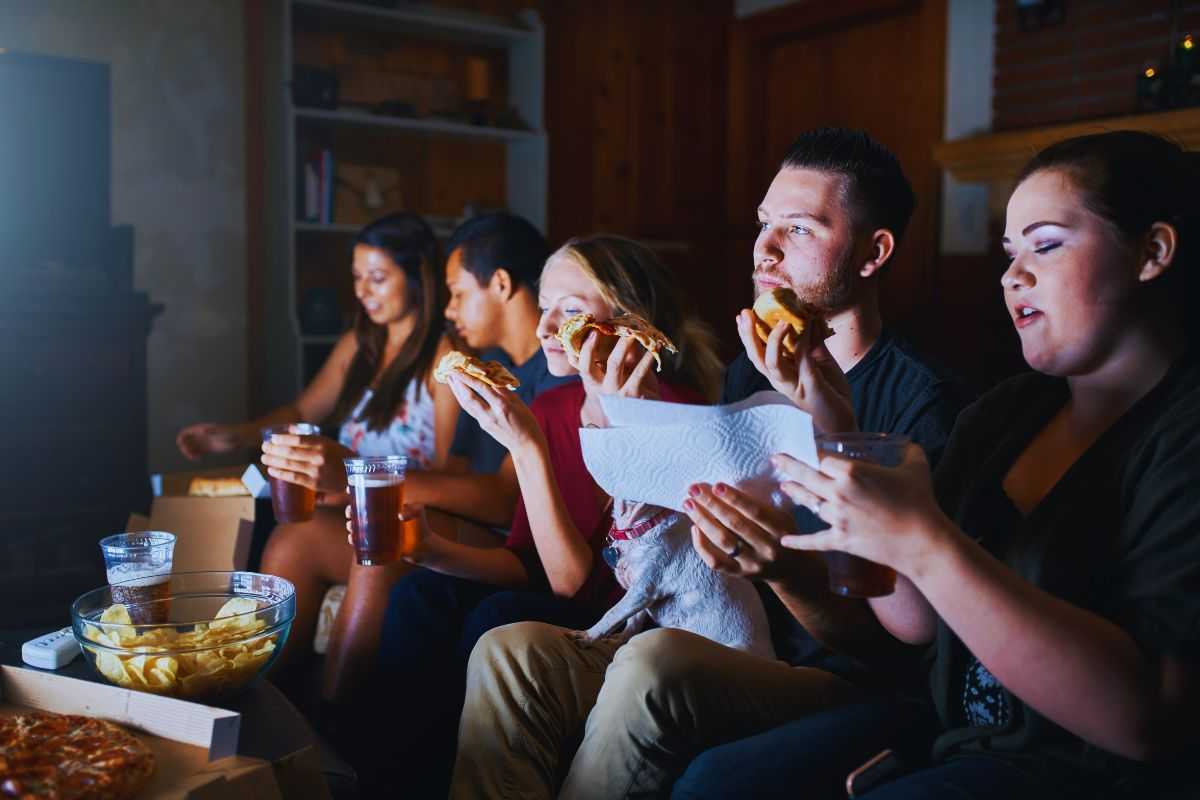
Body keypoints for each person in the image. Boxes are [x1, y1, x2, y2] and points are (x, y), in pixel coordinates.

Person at [449, 128, 970, 799]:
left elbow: (899, 643)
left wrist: (781, 565)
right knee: (509, 650)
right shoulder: (739, 376)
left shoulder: (920, 403)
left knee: (653, 662)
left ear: (873, 253)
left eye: (801, 229)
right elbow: (671, 554)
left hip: (839, 676)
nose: (767, 248)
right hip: (728, 639)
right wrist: (626, 421)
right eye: (764, 224)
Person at [683, 131, 1200, 798]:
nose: (1013, 275)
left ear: (1151, 253)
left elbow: (1147, 720)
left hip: (1087, 773)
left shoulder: (1180, 434)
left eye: (1046, 245)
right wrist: (833, 421)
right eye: (1009, 253)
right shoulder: (1004, 416)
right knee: (715, 783)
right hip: (953, 732)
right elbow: (912, 622)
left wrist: (927, 542)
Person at [352, 234, 722, 798]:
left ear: (628, 325)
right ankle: (386, 783)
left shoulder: (679, 415)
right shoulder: (551, 407)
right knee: (418, 594)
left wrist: (524, 450)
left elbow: (572, 584)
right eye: (545, 306)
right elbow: (525, 560)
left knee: (497, 616)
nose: (546, 326)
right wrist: (427, 549)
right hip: (564, 592)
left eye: (570, 311)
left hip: (630, 623)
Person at [319, 212, 577, 707]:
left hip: (514, 543)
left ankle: (338, 737)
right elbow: (450, 472)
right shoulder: (483, 370)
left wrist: (362, 472)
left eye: (458, 294)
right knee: (299, 534)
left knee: (384, 544)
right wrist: (344, 488)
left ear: (499, 284)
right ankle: (282, 724)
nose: (449, 310)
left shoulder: (553, 377)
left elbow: (506, 502)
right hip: (469, 524)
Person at [209, 213, 460, 675]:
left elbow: (449, 473)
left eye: (378, 278)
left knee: (318, 539)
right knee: (288, 536)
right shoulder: (359, 343)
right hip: (346, 513)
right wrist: (237, 435)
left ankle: (335, 721)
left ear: (418, 277)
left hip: (411, 517)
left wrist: (358, 474)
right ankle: (273, 697)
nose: (363, 291)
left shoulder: (445, 359)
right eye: (357, 278)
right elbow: (304, 412)